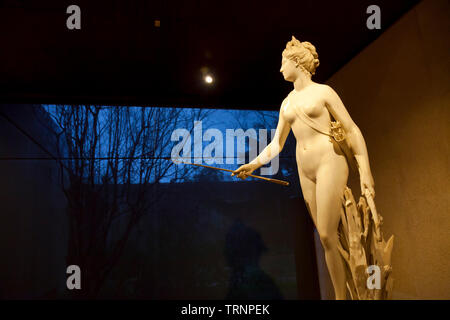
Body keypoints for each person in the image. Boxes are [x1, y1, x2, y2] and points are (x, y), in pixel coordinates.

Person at [231, 36, 375, 300]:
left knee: (328, 233)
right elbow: (276, 144)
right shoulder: (286, 102)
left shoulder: (323, 92)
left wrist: (365, 170)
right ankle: (340, 294)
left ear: (297, 62)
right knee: (325, 238)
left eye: (283, 63)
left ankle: (343, 297)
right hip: (304, 167)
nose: (280, 69)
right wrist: (253, 164)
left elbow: (352, 129)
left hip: (329, 161)